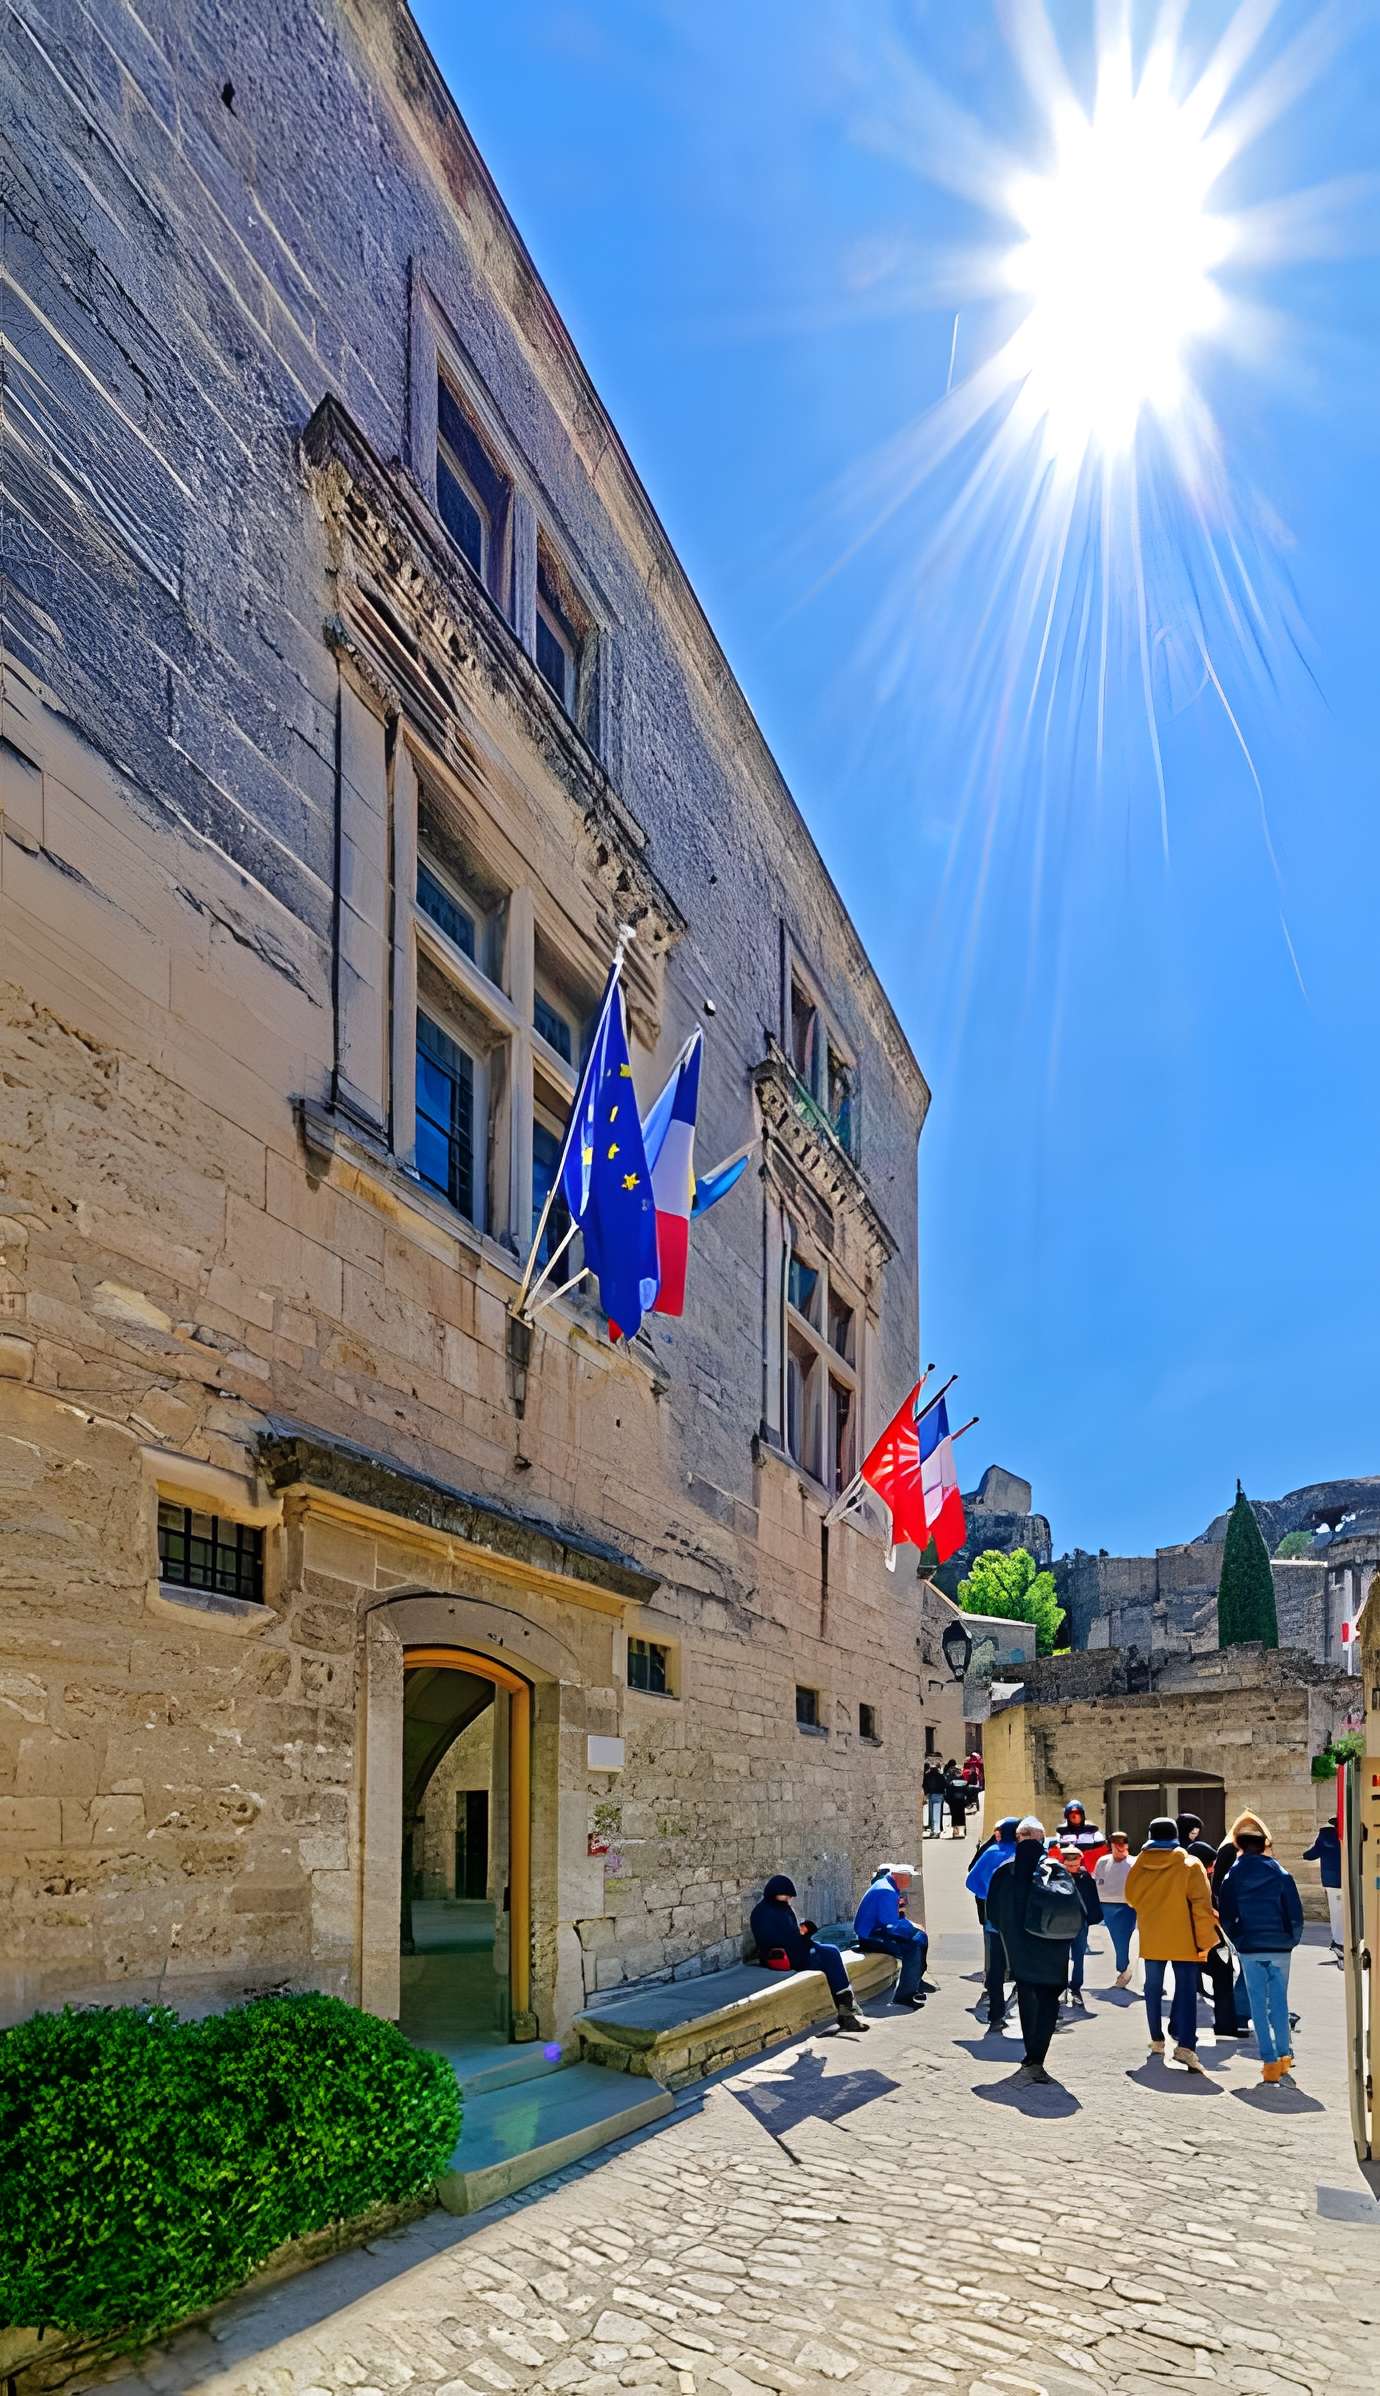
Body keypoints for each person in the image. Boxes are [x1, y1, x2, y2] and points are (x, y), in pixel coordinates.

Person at [984, 1816, 1079, 2084]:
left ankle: (1030, 2053)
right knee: (1049, 1999)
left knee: (1028, 1995)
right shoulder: (1056, 1869)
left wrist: (1010, 1933)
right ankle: (1039, 2055)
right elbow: (1082, 1912)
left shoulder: (1004, 1871)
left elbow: (991, 1912)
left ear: (1018, 1839)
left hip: (1020, 1949)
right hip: (1054, 1949)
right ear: (1042, 1839)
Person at [1125, 1815, 1218, 2071]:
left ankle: (1156, 2041)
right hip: (1184, 1937)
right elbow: (1202, 1907)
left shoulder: (1139, 1865)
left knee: (1152, 1988)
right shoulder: (1190, 1864)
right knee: (1187, 1991)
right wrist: (1206, 1940)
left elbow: (1131, 1898)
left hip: (1152, 1935)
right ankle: (1186, 2047)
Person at [1217, 1816, 1305, 2084]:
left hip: (1250, 1946)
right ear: (1265, 1844)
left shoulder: (1233, 1875)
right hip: (1280, 1946)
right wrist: (1292, 1939)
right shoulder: (1280, 1873)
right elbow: (1295, 1912)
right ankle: (1284, 2056)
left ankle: (1268, 2062)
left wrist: (1238, 1939)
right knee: (1279, 2001)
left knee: (1258, 2003)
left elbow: (1227, 1915)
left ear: (1238, 1846)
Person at [749, 1875, 871, 2033]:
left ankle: (846, 2012)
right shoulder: (763, 1913)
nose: (788, 1899)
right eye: (785, 1895)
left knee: (831, 1952)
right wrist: (803, 1933)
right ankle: (846, 2014)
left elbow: (790, 1933)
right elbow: (772, 1939)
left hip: (797, 1949)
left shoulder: (780, 1908)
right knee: (830, 1956)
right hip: (784, 1956)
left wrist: (803, 1931)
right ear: (775, 1892)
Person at [1179, 1814, 1245, 2038]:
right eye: (1210, 1865)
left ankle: (1178, 2028)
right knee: (1223, 1975)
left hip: (1188, 1940)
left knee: (1187, 1982)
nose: (1212, 1869)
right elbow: (1202, 1912)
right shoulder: (1198, 1879)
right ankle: (1224, 2026)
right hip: (1203, 1939)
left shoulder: (1182, 1873)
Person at [966, 1815, 1020, 2027]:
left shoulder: (991, 1853)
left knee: (996, 1967)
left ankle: (996, 2015)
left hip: (994, 1920)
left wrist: (986, 1894)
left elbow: (971, 1881)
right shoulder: (1024, 1853)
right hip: (1021, 1922)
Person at [854, 1863, 933, 2007]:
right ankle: (904, 1996)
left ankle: (915, 1982)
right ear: (898, 1876)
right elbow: (890, 1925)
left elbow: (894, 1921)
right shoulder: (887, 1891)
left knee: (921, 1938)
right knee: (913, 1947)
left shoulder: (889, 1886)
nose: (909, 1881)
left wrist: (914, 1930)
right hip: (870, 1936)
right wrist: (912, 1929)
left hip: (878, 1930)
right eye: (908, 1877)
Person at [1058, 1838, 1104, 2009]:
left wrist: (1091, 1919)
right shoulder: (1057, 1877)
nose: (1072, 1869)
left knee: (1078, 1957)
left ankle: (1076, 1986)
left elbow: (1093, 1900)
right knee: (1061, 1957)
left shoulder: (1086, 1878)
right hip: (1060, 1924)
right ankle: (1060, 1986)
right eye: (1069, 1865)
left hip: (1080, 1923)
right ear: (1063, 1862)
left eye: (1075, 1865)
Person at [1094, 1828, 1137, 1986]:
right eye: (1116, 1843)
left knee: (1122, 1939)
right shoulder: (1103, 1861)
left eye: (1123, 1843)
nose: (1120, 1847)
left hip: (1127, 1906)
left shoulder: (1134, 1862)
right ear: (1111, 1845)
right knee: (1116, 1939)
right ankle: (1123, 1967)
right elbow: (1097, 1880)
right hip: (1106, 1904)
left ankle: (1123, 1968)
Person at [1303, 1819, 1344, 1953]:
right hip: (1351, 1879)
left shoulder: (1325, 1835)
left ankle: (1338, 1941)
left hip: (1332, 1881)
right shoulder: (1349, 1834)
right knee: (1346, 1910)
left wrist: (1304, 1854)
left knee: (1335, 1911)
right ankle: (1341, 1940)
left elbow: (1313, 1853)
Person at [943, 1761, 969, 1838]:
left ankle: (955, 1831)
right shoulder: (964, 1782)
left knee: (954, 1816)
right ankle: (962, 1831)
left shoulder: (952, 1782)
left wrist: (948, 1799)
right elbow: (966, 1792)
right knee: (961, 1815)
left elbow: (949, 1791)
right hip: (961, 1800)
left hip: (953, 1800)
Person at [922, 1759, 947, 1840]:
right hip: (939, 1795)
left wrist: (926, 1793)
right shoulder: (940, 1775)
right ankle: (936, 1831)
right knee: (936, 1813)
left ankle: (933, 1830)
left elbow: (924, 1785)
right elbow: (944, 1784)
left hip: (930, 1794)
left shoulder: (927, 1775)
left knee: (931, 1813)